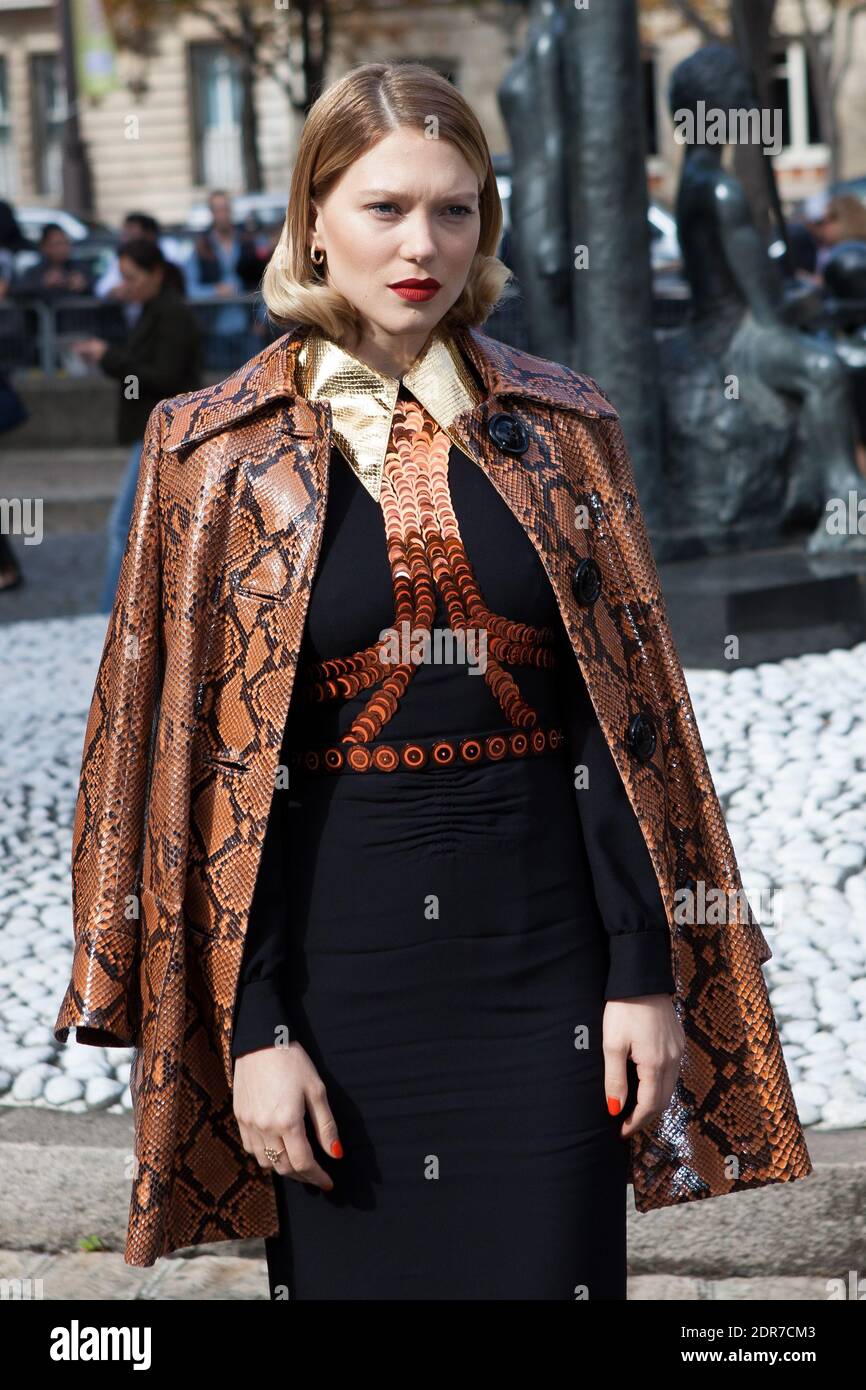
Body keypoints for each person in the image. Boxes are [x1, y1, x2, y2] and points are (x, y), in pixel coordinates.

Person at [53, 62, 811, 1292]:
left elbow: (623, 734)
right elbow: (190, 782)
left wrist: (640, 973)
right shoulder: (209, 453)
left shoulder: (562, 428)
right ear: (312, 220)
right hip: (338, 994)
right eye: (384, 208)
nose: (423, 244)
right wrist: (254, 1032)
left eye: (454, 210)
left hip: (551, 987)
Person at [70, 237, 201, 611]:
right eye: (123, 278)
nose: (125, 286)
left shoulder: (171, 313)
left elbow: (163, 377)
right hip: (154, 429)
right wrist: (116, 366)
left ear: (155, 274)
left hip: (163, 431)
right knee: (144, 528)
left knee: (123, 527)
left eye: (131, 277)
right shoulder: (150, 310)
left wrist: (110, 358)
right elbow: (138, 380)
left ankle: (109, 614)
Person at [184, 189, 262, 367]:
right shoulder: (202, 247)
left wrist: (262, 320)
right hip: (215, 330)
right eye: (218, 210)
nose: (222, 215)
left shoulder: (246, 243)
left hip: (247, 327)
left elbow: (264, 282)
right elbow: (191, 290)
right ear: (211, 213)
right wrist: (215, 291)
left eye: (225, 209)